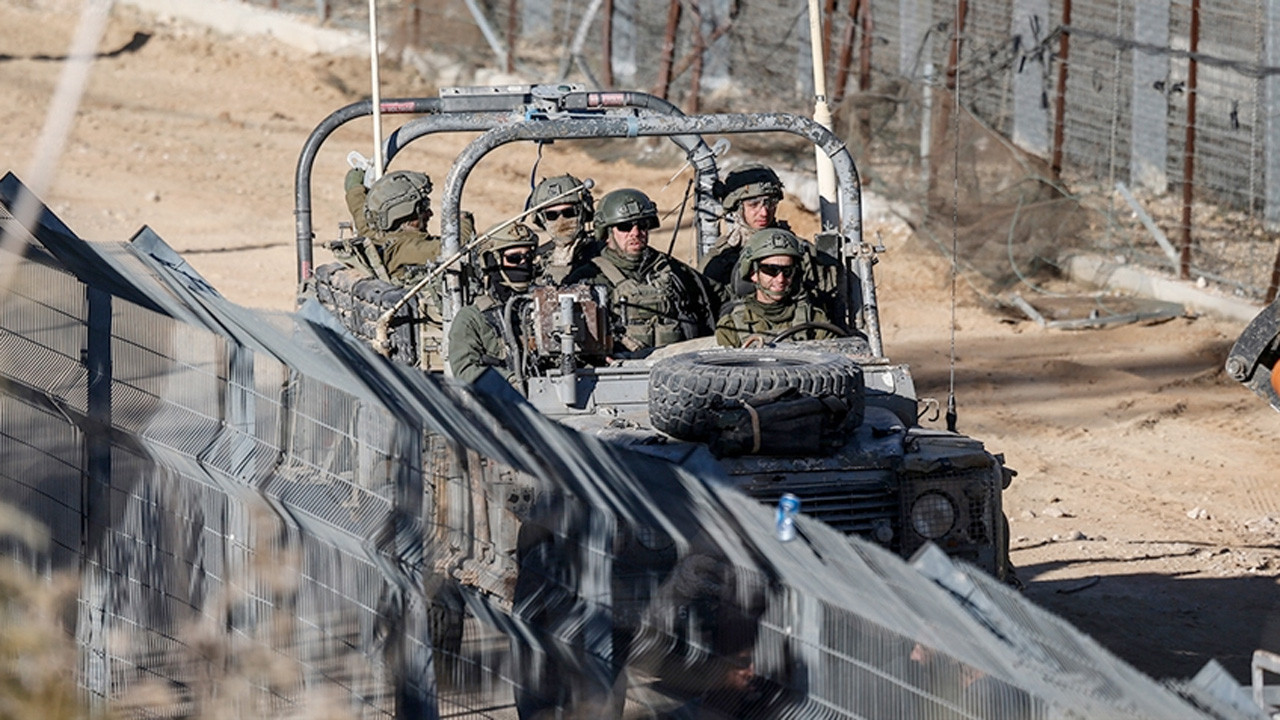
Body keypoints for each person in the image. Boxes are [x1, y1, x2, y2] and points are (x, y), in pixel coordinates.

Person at [563, 188, 724, 354]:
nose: (635, 233)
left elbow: (720, 299)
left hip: (676, 368)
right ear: (607, 232)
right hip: (617, 373)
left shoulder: (674, 270)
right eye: (624, 227)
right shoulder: (589, 278)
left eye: (642, 225)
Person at [701, 164, 845, 320]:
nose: (764, 212)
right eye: (753, 205)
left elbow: (830, 304)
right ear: (737, 206)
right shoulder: (720, 259)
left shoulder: (802, 252)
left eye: (770, 203)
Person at [447, 221, 539, 386]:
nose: (523, 264)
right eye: (514, 258)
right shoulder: (472, 318)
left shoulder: (545, 305)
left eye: (529, 257)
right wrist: (510, 382)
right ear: (492, 262)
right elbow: (465, 371)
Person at [715, 228, 838, 348]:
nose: (780, 279)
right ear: (753, 273)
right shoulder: (731, 326)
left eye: (787, 271)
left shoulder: (814, 319)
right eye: (771, 270)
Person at [343, 167, 440, 284]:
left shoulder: (374, 236)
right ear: (405, 215)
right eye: (424, 208)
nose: (430, 214)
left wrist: (354, 185)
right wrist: (461, 219)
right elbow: (454, 249)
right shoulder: (408, 248)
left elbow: (358, 207)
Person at [526, 173, 600, 285]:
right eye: (552, 215)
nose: (561, 220)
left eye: (569, 212)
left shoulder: (603, 253)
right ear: (542, 220)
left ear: (583, 211)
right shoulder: (535, 261)